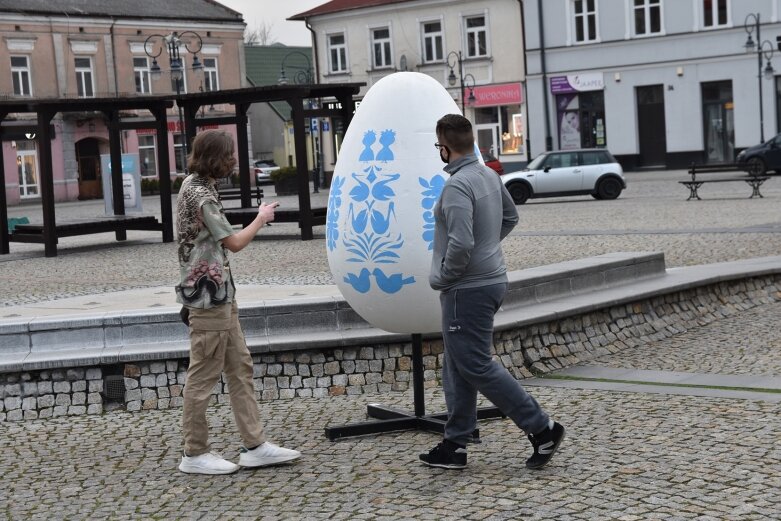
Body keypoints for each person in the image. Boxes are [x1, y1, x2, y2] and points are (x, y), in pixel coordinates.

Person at [420, 114, 565, 470]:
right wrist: (486, 252)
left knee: (476, 364)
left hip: (465, 289)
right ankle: (454, 446)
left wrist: (445, 276)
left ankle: (542, 428)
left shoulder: (457, 186)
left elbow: (461, 242)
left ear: (445, 146)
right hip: (490, 281)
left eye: (439, 145)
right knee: (458, 364)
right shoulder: (488, 175)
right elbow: (510, 217)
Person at [175, 129, 301, 475]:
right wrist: (260, 219)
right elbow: (233, 243)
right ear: (217, 157)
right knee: (203, 376)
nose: (234, 160)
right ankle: (194, 452)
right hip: (207, 298)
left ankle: (255, 445)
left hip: (220, 295)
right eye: (230, 155)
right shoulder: (201, 194)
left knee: (239, 367)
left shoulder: (194, 184)